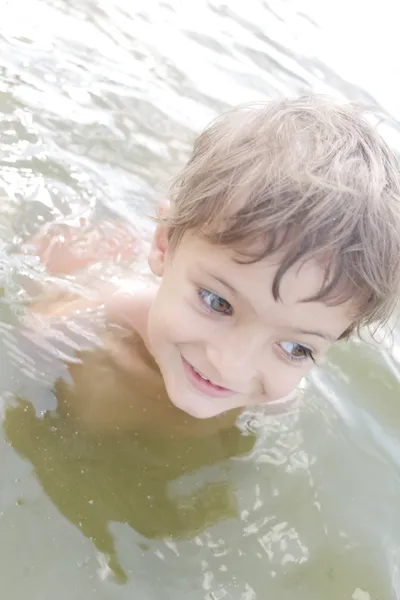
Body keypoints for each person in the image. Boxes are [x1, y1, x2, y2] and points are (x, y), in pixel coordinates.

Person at [23, 95, 400, 435]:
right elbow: (31, 334)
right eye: (217, 302)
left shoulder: (277, 402)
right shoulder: (102, 315)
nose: (231, 366)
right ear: (163, 244)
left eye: (295, 348)